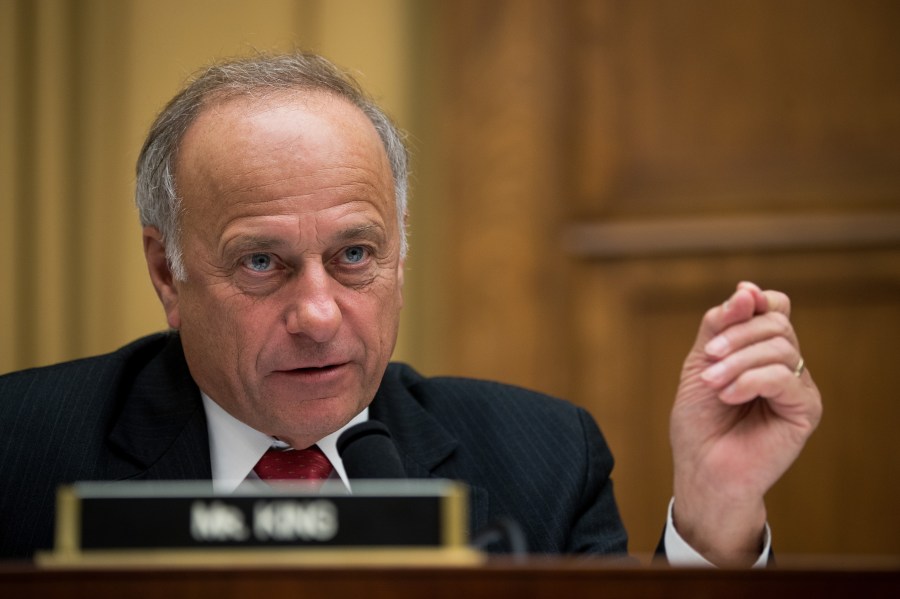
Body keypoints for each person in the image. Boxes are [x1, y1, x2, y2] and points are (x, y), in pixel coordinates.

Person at [0, 53, 821, 564]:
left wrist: (715, 522)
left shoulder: (540, 462)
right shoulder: (21, 450)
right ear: (167, 272)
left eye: (355, 255)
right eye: (262, 262)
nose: (318, 313)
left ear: (401, 249)